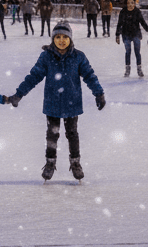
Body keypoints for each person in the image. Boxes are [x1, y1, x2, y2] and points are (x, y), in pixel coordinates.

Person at [9, 21, 106, 182]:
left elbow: (89, 75)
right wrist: (19, 94)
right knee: (52, 134)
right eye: (58, 37)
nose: (61, 40)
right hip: (53, 102)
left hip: (72, 102)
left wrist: (99, 93)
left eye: (65, 37)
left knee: (72, 134)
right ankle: (50, 163)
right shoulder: (46, 56)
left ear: (70, 39)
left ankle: (75, 163)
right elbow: (34, 76)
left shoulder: (78, 57)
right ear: (53, 39)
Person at [115, 0, 148, 77]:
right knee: (128, 52)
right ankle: (127, 69)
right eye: (128, 3)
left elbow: (142, 22)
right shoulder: (123, 12)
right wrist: (117, 35)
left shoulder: (137, 11)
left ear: (134, 4)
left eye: (132, 3)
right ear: (126, 4)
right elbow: (119, 24)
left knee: (137, 52)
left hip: (136, 34)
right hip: (126, 34)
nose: (130, 5)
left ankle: (139, 69)